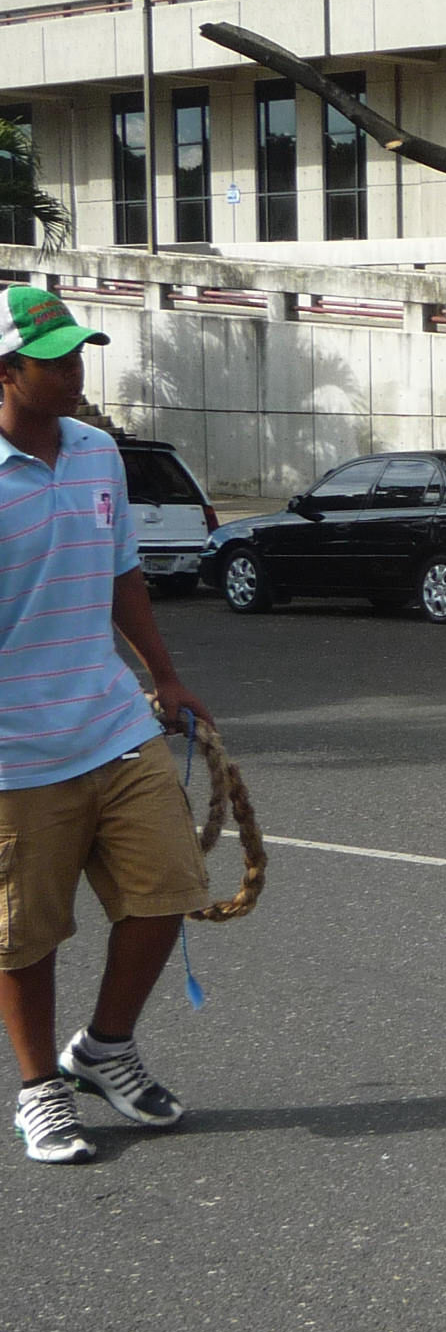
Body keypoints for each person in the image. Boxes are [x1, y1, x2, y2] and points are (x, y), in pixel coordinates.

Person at [0, 286, 213, 1166]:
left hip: (112, 719)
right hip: (14, 751)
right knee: (25, 934)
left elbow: (123, 572)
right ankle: (40, 1088)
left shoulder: (96, 454)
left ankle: (105, 1047)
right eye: (56, 359)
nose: (76, 370)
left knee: (171, 888)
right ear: (7, 371)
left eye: (80, 352)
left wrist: (163, 675)